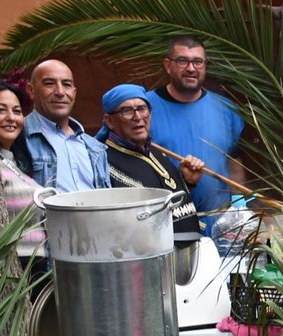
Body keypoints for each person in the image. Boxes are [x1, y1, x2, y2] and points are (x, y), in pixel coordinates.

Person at [144, 36, 247, 236]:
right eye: (182, 61)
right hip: (168, 226)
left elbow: (234, 162)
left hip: (221, 224)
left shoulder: (226, 109)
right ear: (168, 65)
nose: (191, 68)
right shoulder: (144, 109)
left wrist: (239, 208)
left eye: (198, 61)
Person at [97, 84, 205, 240]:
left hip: (188, 251)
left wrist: (187, 182)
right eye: (126, 111)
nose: (138, 117)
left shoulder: (155, 151)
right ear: (109, 121)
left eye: (142, 108)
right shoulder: (103, 163)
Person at [16, 59, 109, 193]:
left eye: (66, 84)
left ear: (74, 93)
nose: (60, 92)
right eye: (49, 83)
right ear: (31, 90)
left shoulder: (95, 147)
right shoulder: (18, 137)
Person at [0, 80, 45, 261]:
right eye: (0, 110)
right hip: (14, 265)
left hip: (39, 266)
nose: (11, 118)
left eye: (17, 111)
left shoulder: (18, 162)